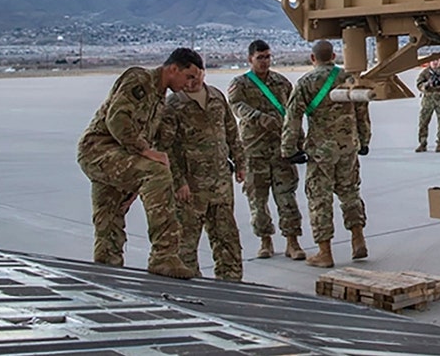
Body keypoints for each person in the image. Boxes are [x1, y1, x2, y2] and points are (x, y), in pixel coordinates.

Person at [75, 48, 202, 279]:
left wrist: (134, 184)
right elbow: (117, 119)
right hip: (99, 149)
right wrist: (145, 151)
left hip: (118, 156)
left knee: (110, 217)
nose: (190, 83)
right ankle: (164, 256)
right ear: (173, 69)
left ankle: (107, 271)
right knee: (158, 172)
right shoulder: (140, 79)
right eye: (189, 76)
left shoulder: (159, 97)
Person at [281, 40, 371, 267]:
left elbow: (293, 117)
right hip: (348, 147)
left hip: (321, 151)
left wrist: (289, 149)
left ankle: (325, 252)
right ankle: (358, 239)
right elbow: (362, 110)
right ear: (334, 56)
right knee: (350, 192)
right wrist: (364, 140)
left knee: (319, 199)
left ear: (313, 59)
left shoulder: (305, 82)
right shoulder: (349, 79)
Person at [160, 65, 245, 281]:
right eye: (187, 77)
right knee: (186, 245)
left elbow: (231, 131)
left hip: (220, 184)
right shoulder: (173, 104)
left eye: (195, 76)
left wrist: (240, 162)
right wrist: (178, 182)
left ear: (203, 72)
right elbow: (164, 147)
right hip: (191, 188)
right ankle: (190, 290)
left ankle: (232, 286)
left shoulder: (216, 96)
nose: (191, 82)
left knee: (228, 241)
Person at [227, 39, 305, 260]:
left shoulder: (281, 83)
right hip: (254, 151)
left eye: (268, 57)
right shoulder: (240, 84)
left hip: (280, 151)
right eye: (260, 57)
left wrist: (299, 142)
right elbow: (237, 106)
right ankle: (265, 241)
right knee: (257, 201)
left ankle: (292, 242)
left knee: (286, 198)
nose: (265, 61)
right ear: (250, 59)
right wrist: (260, 118)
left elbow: (293, 114)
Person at [415, 59, 440, 152]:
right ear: (429, 62)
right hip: (428, 101)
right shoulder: (425, 73)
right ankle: (422, 143)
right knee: (423, 123)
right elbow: (419, 84)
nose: (435, 63)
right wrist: (426, 85)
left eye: (436, 60)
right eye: (433, 61)